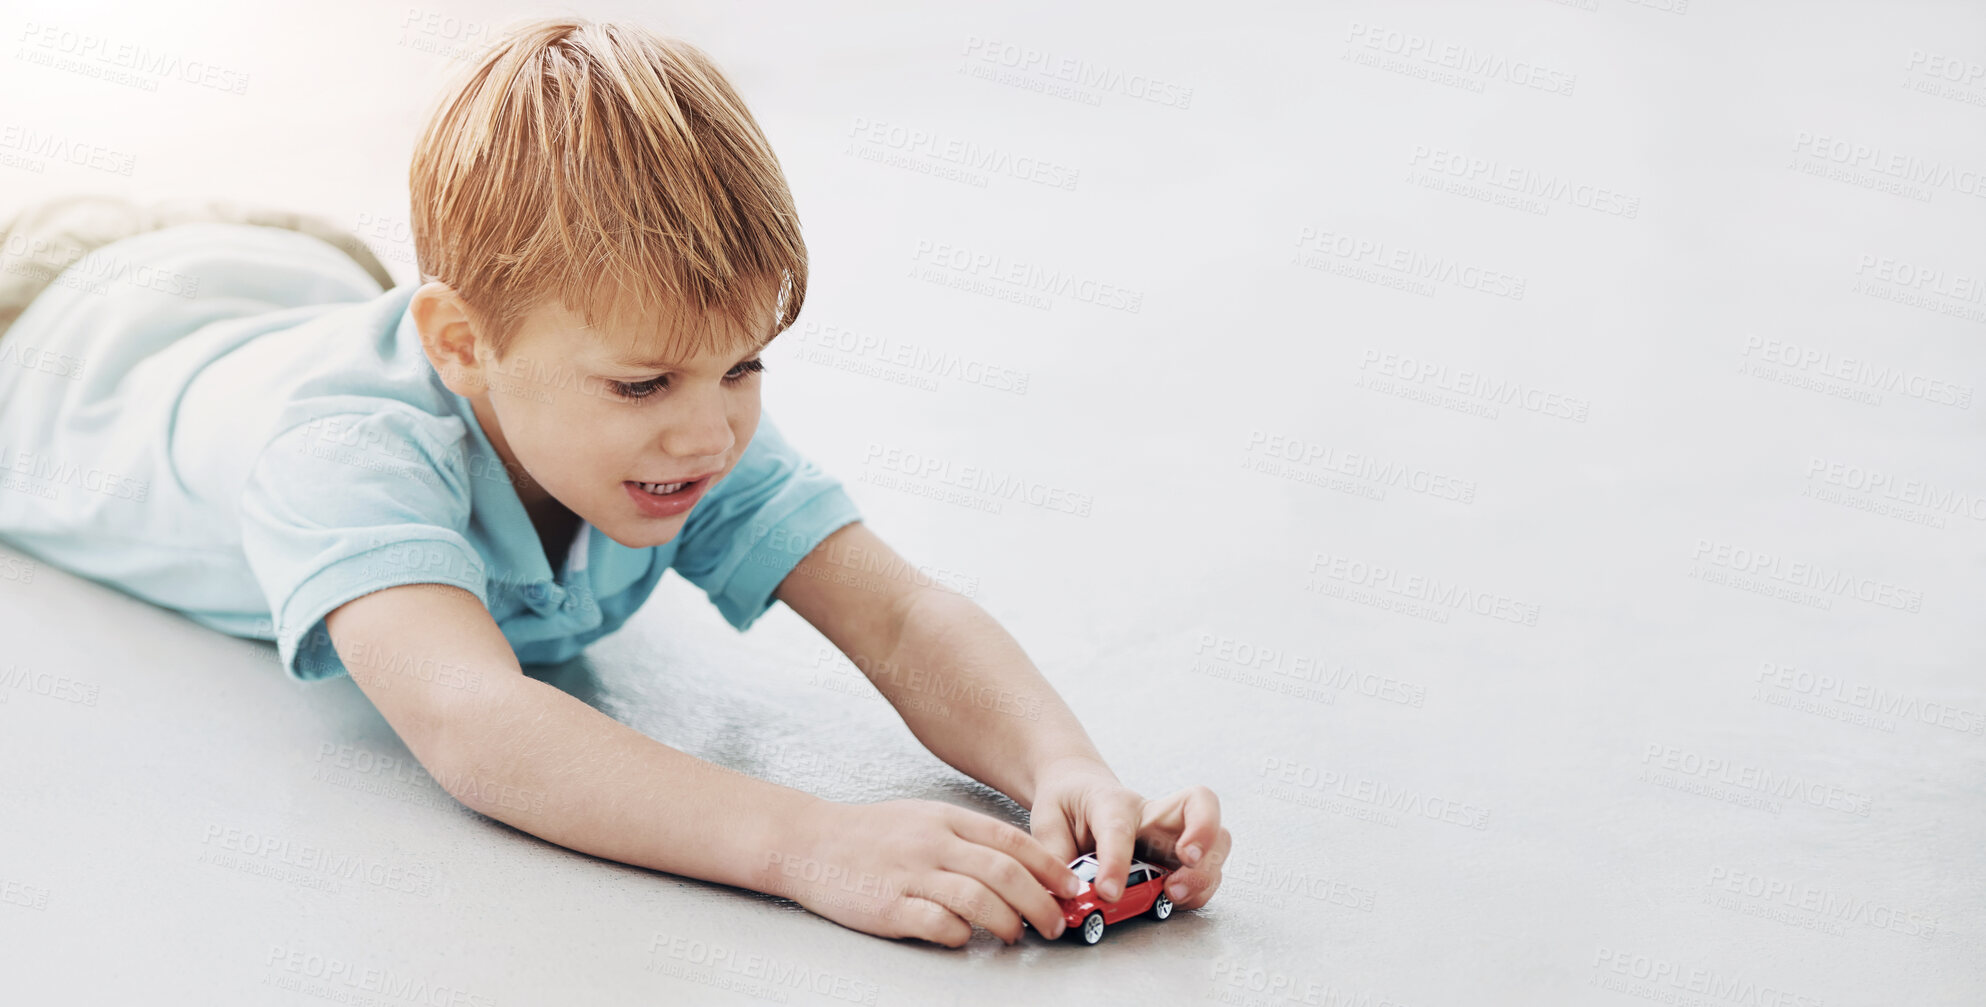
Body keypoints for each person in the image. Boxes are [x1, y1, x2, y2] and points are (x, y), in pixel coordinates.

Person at [0, 17, 1228, 947]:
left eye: (743, 364)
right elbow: (477, 723)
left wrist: (1062, 765)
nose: (708, 432)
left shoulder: (674, 410)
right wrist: (810, 837)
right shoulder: (343, 455)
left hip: (274, 265)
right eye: (645, 386)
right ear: (462, 346)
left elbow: (899, 612)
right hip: (46, 331)